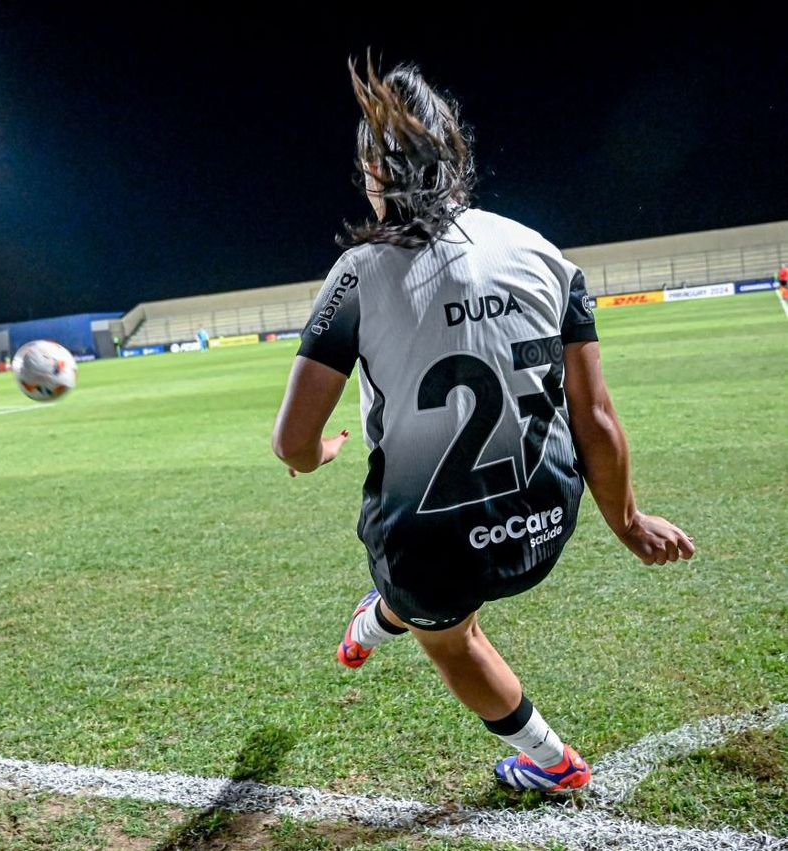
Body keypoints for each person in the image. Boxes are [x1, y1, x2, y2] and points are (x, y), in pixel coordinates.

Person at [272, 56, 696, 794]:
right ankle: (379, 617)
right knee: (422, 598)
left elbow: (292, 444)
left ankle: (550, 760)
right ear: (454, 154)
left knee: (450, 633)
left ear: (374, 172)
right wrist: (626, 521)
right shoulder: (541, 252)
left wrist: (322, 451)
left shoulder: (357, 273)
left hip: (433, 543)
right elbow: (593, 413)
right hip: (544, 525)